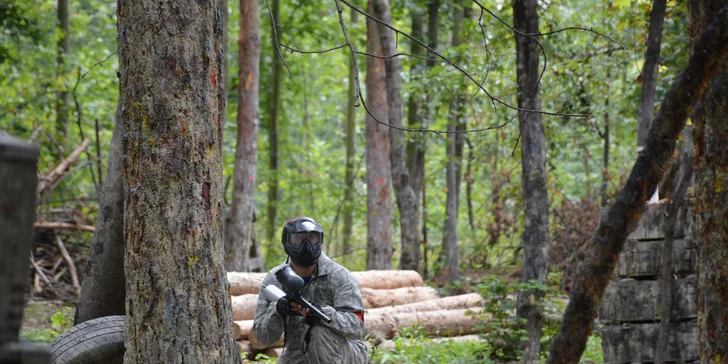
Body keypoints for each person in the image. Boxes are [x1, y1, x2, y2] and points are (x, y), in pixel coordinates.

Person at [252, 216, 368, 364]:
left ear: (320, 241)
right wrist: (278, 311)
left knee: (318, 331)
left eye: (311, 239)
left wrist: (324, 315)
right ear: (286, 241)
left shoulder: (339, 276)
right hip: (297, 354)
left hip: (345, 353)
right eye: (299, 239)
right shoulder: (275, 279)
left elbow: (358, 327)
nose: (306, 245)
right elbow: (262, 337)